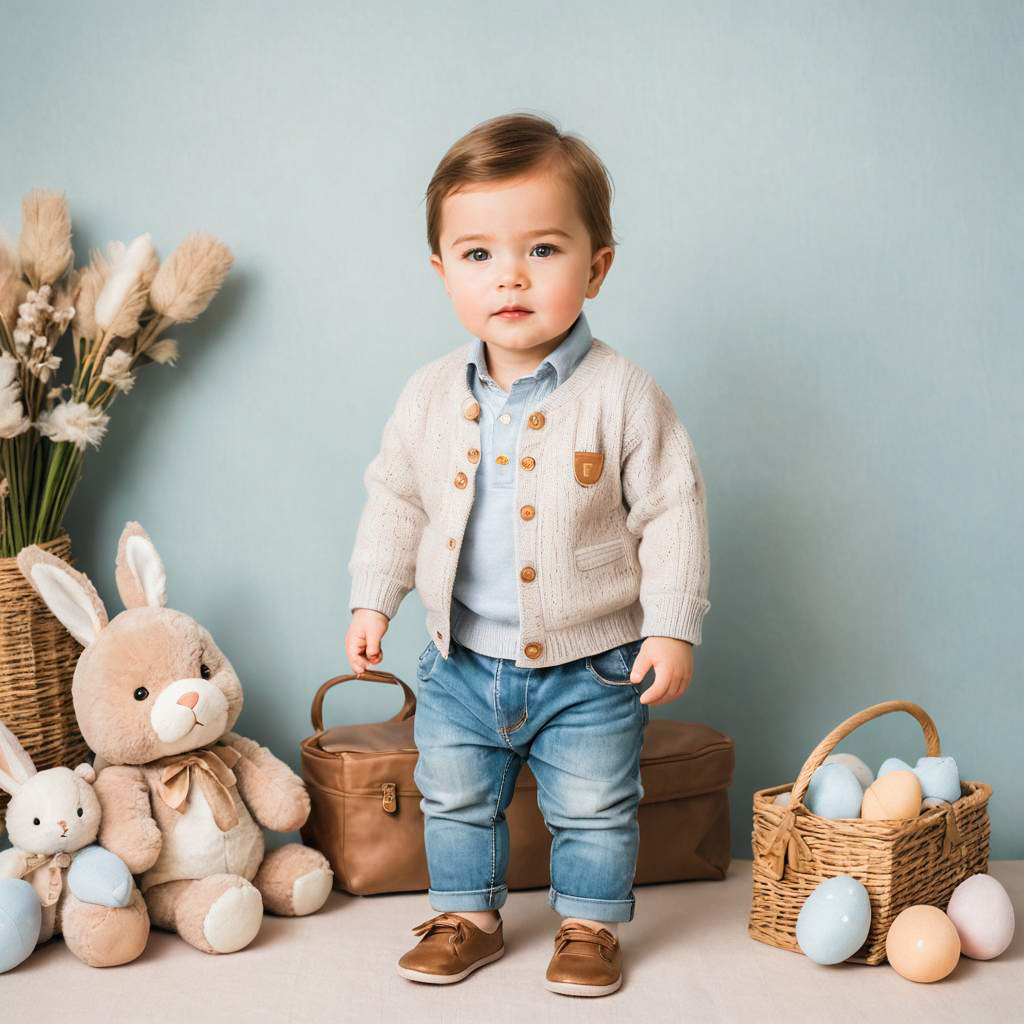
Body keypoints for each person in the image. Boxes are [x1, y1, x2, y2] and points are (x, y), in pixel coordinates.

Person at [345, 111, 710, 997]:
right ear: (442, 272)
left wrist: (670, 627)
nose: (509, 275)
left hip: (593, 667)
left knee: (593, 806)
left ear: (598, 264)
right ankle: (465, 915)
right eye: (477, 255)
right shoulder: (430, 395)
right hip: (459, 662)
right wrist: (373, 601)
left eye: (543, 249)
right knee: (455, 795)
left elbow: (672, 510)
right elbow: (396, 498)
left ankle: (588, 925)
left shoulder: (622, 394)